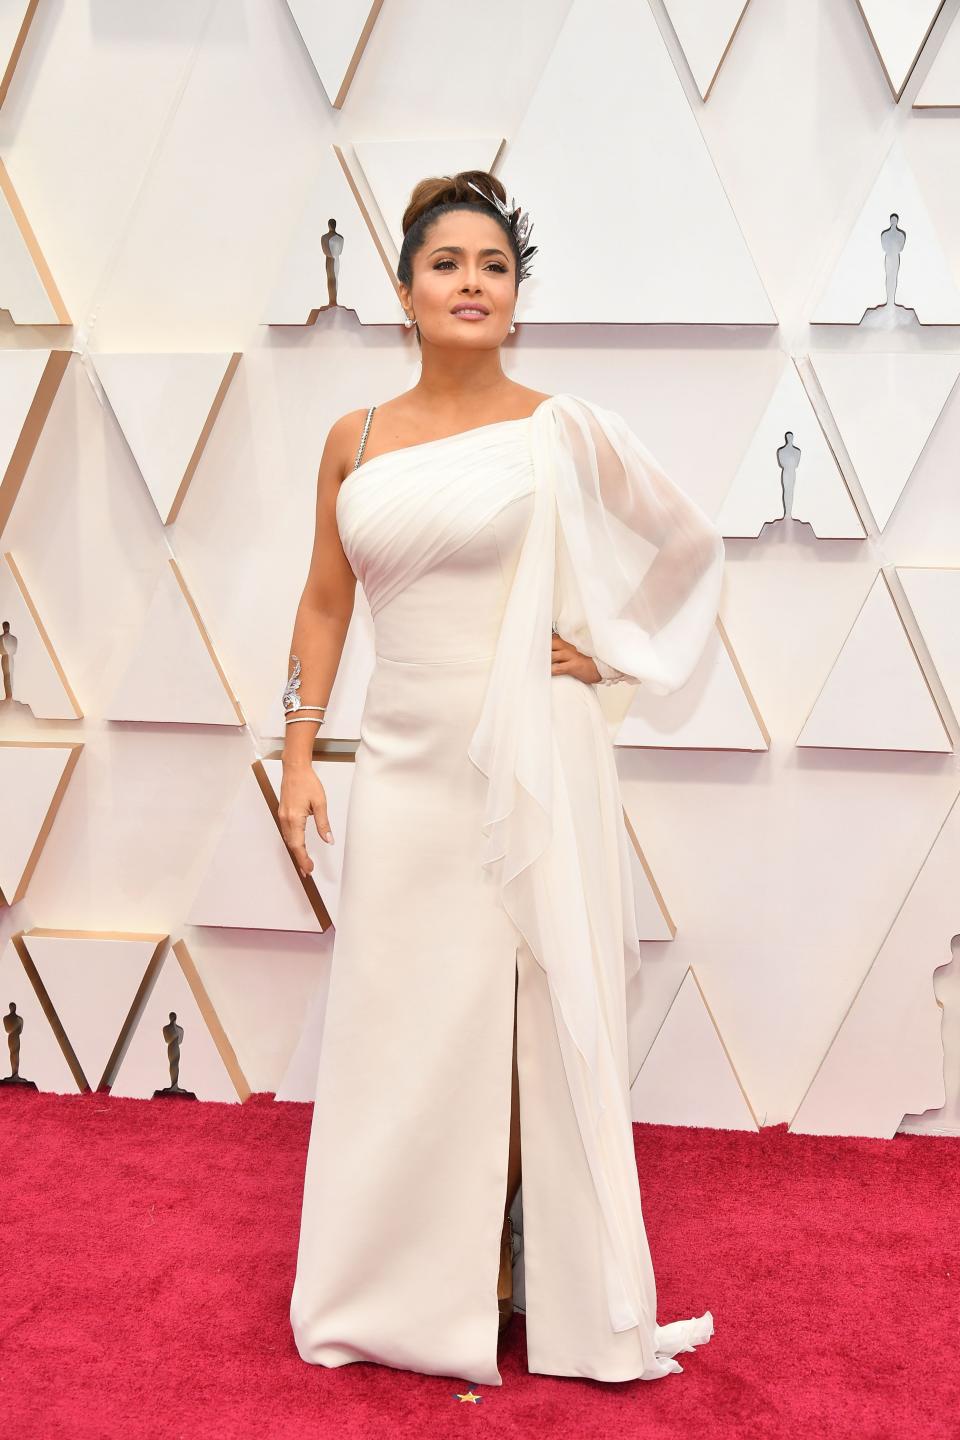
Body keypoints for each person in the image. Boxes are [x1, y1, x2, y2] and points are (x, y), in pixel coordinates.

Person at [280, 170, 724, 1388]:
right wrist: (297, 754)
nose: (472, 283)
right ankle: (403, 1277)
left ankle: (506, 1257)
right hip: (408, 766)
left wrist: (609, 656)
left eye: (494, 266)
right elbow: (325, 605)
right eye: (447, 264)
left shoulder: (558, 431)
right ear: (406, 291)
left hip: (529, 761)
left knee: (529, 1016)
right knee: (404, 1021)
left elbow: (687, 548)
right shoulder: (353, 440)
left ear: (516, 298)